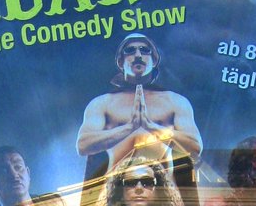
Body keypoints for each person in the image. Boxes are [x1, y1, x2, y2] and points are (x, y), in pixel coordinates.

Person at [76, 35, 203, 181]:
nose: (138, 55)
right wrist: (129, 128)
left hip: (162, 188)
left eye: (144, 50)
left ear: (154, 60)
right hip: (117, 188)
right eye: (130, 50)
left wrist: (152, 127)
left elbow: (195, 146)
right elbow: (83, 145)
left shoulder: (175, 101)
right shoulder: (102, 103)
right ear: (120, 61)